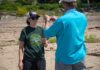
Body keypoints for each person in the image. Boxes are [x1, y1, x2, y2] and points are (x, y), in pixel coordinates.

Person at [44, 0, 87, 70]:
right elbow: (73, 28)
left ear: (64, 4)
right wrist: (58, 20)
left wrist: (47, 21)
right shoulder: (82, 17)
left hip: (64, 58)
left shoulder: (62, 20)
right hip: (80, 55)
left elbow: (46, 34)